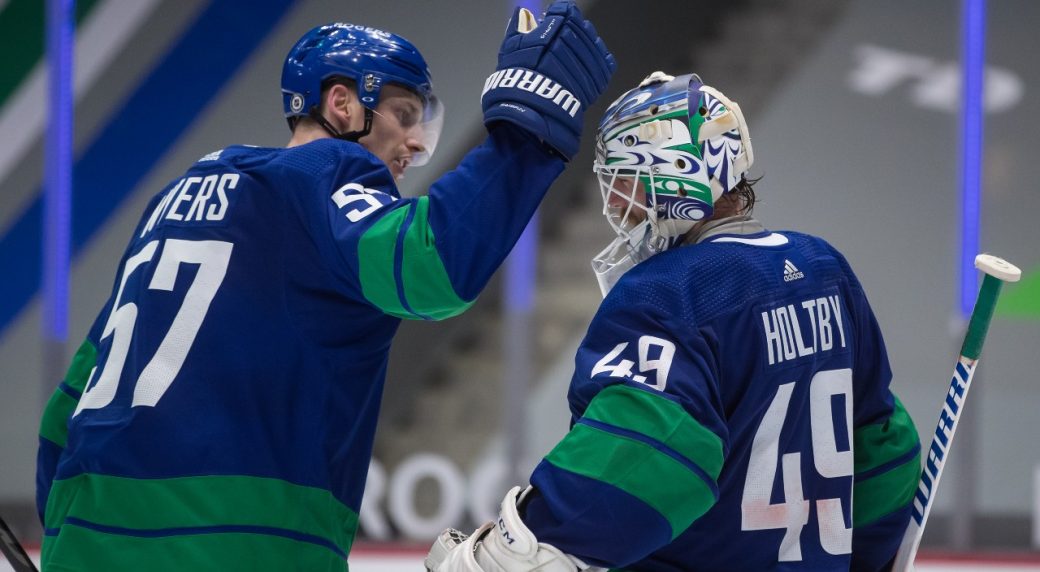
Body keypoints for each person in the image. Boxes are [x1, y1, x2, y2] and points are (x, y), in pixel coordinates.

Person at [34, 4, 614, 570]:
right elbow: (431, 265)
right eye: (405, 114)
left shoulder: (175, 197)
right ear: (342, 104)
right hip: (236, 543)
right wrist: (528, 131)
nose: (415, 141)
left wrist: (68, 531)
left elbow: (70, 403)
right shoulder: (321, 176)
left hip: (82, 529)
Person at [427, 72, 921, 572]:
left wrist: (516, 551)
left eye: (623, 178)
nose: (615, 203)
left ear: (674, 172)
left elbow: (649, 455)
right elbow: (883, 445)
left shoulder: (668, 292)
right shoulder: (824, 269)